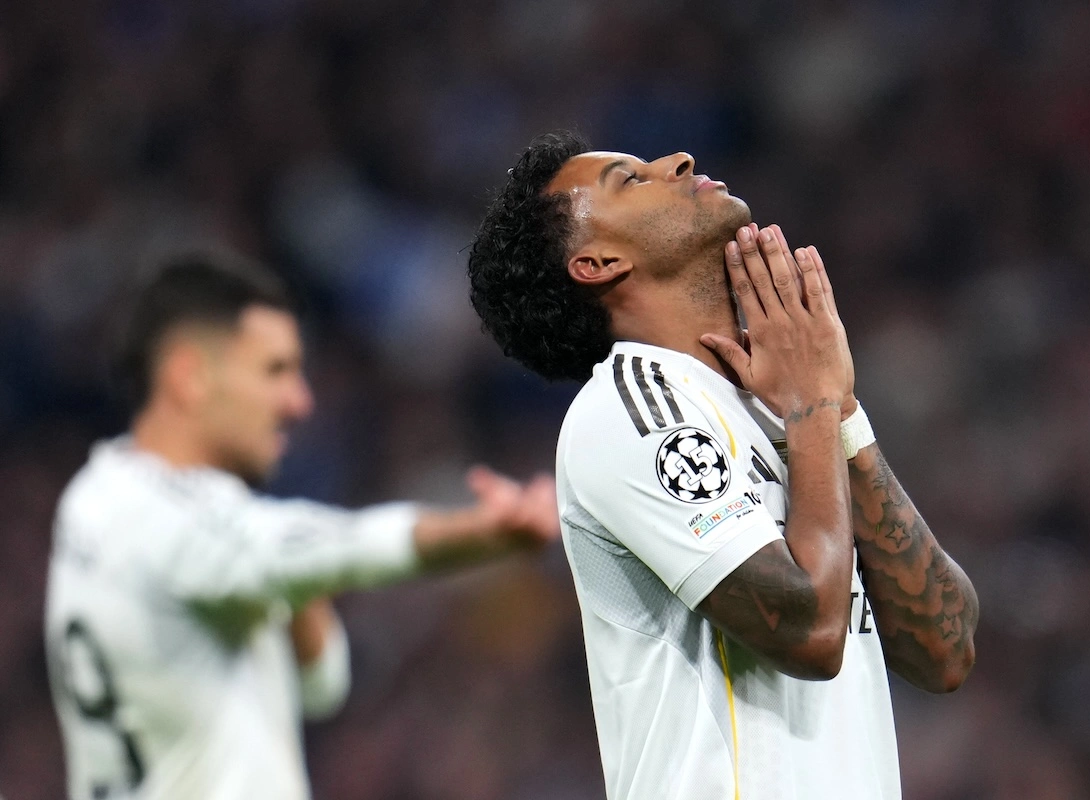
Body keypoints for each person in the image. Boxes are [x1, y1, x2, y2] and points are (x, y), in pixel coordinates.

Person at [467, 132, 980, 800]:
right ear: (596, 261)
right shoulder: (630, 412)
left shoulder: (784, 407)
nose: (676, 160)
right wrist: (815, 410)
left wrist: (842, 412)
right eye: (630, 180)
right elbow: (813, 630)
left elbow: (945, 650)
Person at [44, 251, 560, 800]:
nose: (299, 402)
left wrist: (292, 577)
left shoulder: (93, 499)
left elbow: (319, 686)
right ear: (188, 376)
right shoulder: (180, 526)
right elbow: (352, 548)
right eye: (273, 372)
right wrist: (483, 533)